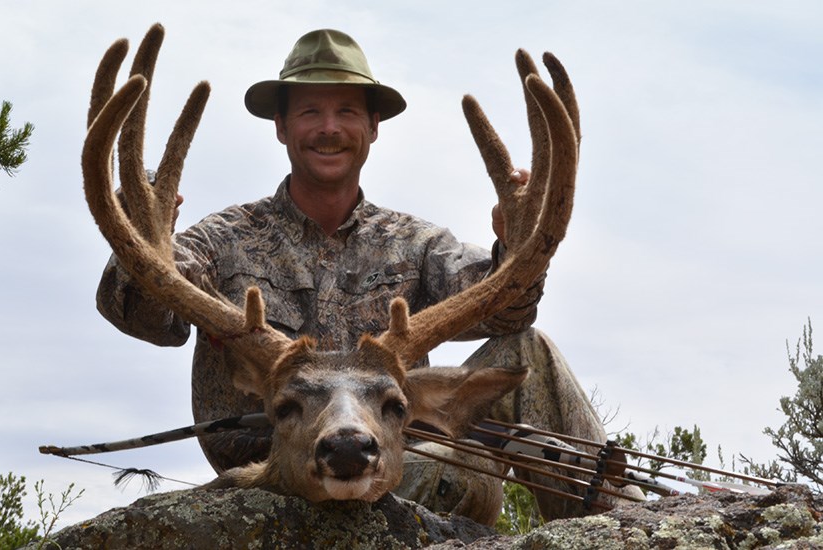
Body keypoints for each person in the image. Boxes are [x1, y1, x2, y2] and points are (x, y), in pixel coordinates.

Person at [96, 28, 637, 522]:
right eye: (310, 111)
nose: (329, 129)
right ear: (281, 126)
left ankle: (627, 527)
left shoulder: (415, 243)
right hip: (272, 479)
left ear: (373, 126)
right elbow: (147, 315)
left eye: (347, 112)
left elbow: (505, 310)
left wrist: (516, 248)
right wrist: (140, 245)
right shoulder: (223, 239)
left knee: (527, 349)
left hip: (399, 467)